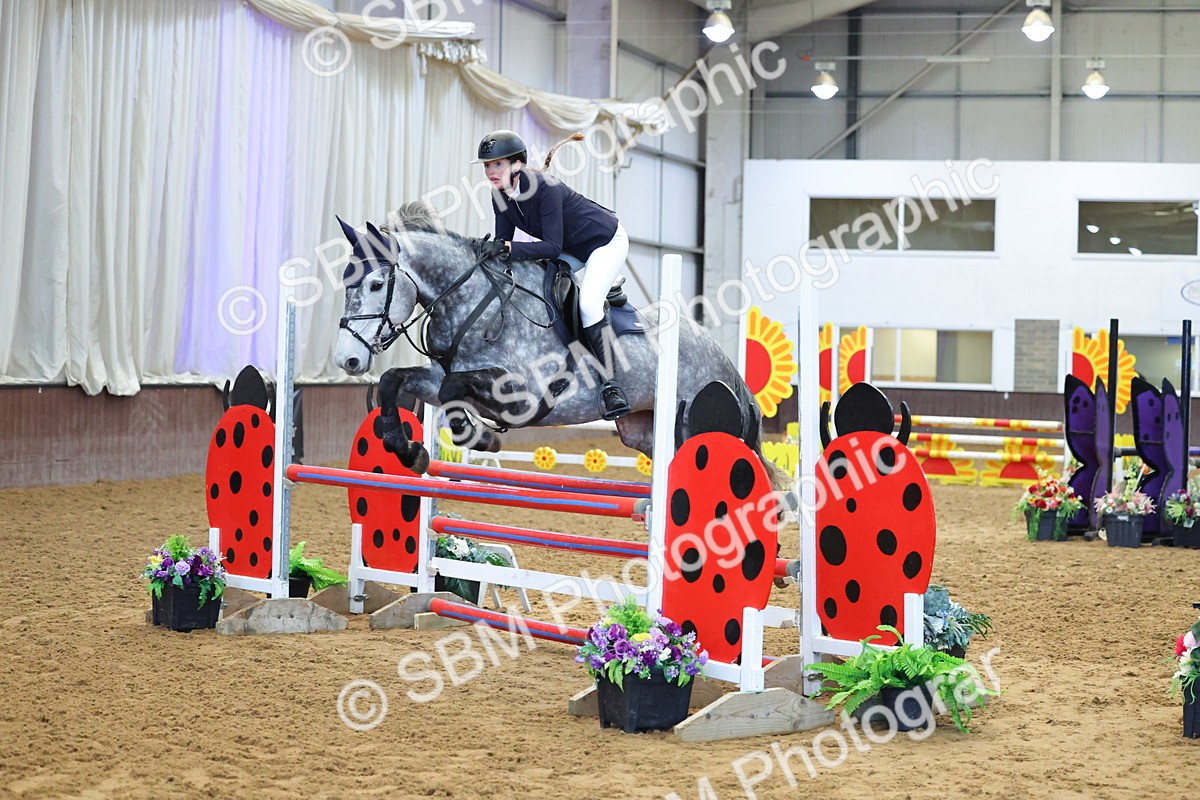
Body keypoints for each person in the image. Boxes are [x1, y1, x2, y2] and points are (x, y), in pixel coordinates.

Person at [471, 129, 631, 421]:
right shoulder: (499, 196)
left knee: (588, 305)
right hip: (571, 248)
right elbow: (505, 245)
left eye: (498, 164)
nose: (491, 171)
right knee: (536, 286)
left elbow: (551, 246)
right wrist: (485, 250)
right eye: (487, 165)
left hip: (604, 243)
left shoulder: (546, 189)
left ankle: (611, 384)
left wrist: (506, 247)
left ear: (517, 164)